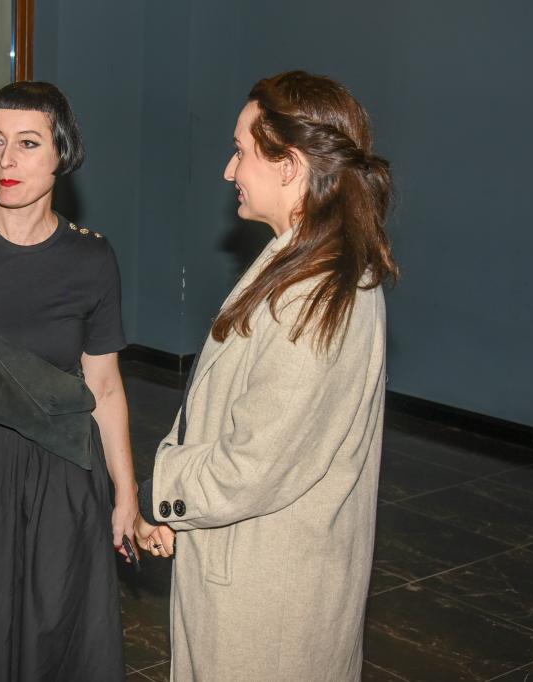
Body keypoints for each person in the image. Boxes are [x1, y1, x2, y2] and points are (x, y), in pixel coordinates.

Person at [134, 71, 397, 680]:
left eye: (240, 151)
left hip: (268, 599)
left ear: (289, 165)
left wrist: (160, 492)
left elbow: (253, 465)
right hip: (248, 564)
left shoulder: (318, 294)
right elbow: (219, 405)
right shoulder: (299, 259)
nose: (229, 170)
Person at [0, 81, 136, 682]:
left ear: (62, 153)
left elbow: (104, 387)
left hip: (58, 475)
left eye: (28, 143)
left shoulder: (91, 259)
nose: (6, 160)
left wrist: (126, 494)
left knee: (50, 635)